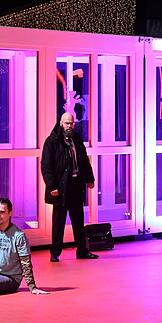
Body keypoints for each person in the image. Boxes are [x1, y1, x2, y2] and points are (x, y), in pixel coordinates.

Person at [41, 112, 98, 262]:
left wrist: (90, 179)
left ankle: (82, 250)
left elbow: (84, 161)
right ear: (61, 123)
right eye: (67, 123)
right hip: (60, 188)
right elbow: (46, 166)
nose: (69, 126)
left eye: (71, 123)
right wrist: (52, 186)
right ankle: (55, 253)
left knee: (78, 220)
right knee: (58, 222)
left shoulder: (77, 140)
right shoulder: (52, 141)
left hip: (75, 186)